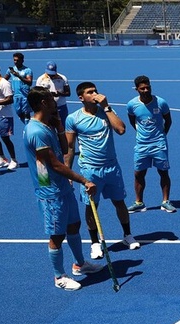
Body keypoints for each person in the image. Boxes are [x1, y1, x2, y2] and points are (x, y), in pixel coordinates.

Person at [22, 86, 104, 291]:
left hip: (61, 186)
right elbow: (55, 164)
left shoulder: (47, 125)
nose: (54, 101)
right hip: (50, 191)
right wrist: (84, 180)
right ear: (42, 103)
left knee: (74, 225)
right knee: (57, 235)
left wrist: (59, 126)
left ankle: (80, 264)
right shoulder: (36, 131)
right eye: (51, 98)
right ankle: (59, 276)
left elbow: (65, 148)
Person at [65, 82, 140, 261]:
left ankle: (127, 235)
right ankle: (94, 243)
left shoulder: (106, 113)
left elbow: (121, 129)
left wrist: (106, 107)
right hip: (89, 170)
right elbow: (69, 147)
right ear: (81, 98)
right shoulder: (73, 119)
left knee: (119, 202)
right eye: (90, 92)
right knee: (92, 207)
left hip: (112, 167)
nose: (95, 94)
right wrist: (68, 172)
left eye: (95, 91)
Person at [126, 75, 175, 213]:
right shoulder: (132, 105)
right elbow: (132, 121)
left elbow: (168, 121)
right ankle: (139, 202)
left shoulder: (161, 102)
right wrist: (141, 133)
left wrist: (161, 135)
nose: (146, 90)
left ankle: (165, 201)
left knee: (163, 172)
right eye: (142, 88)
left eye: (148, 87)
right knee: (139, 174)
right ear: (137, 89)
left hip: (159, 144)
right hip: (141, 145)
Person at [6, 52, 32, 125]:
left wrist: (19, 76)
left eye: (17, 60)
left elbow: (29, 82)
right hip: (15, 95)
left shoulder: (27, 70)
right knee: (19, 113)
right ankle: (30, 125)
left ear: (22, 61)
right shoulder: (11, 70)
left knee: (26, 113)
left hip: (25, 96)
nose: (15, 62)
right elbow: (4, 80)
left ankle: (28, 128)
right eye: (14, 60)